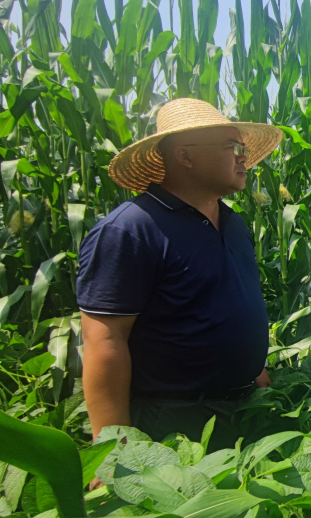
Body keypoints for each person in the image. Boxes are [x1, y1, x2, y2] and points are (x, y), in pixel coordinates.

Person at [77, 98, 281, 455]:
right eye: (233, 147)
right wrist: (111, 448)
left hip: (244, 410)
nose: (243, 158)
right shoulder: (131, 230)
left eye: (244, 149)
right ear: (185, 156)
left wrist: (253, 367)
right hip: (174, 423)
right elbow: (105, 341)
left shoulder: (233, 223)